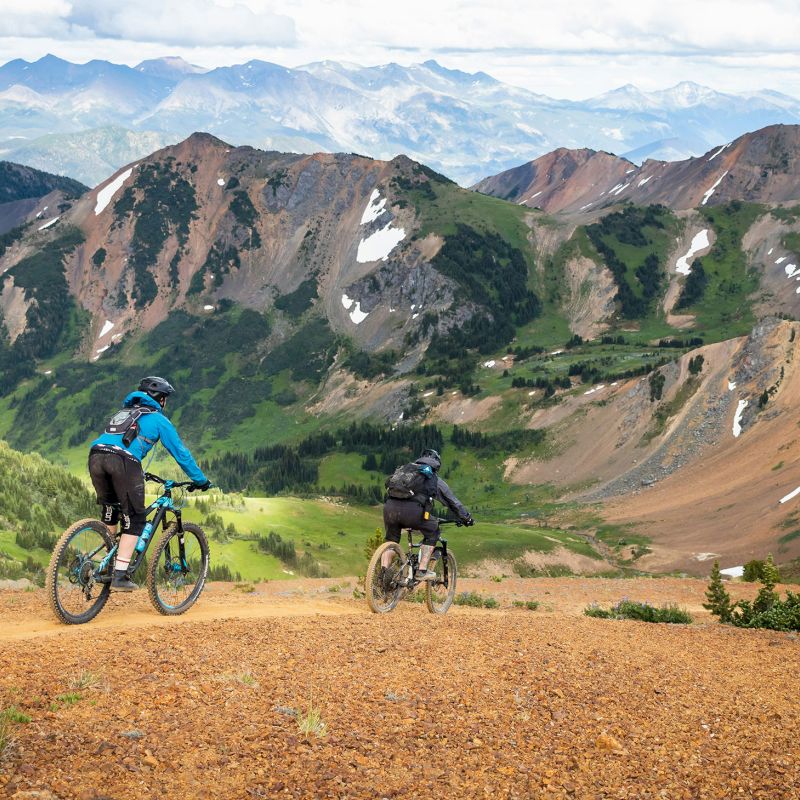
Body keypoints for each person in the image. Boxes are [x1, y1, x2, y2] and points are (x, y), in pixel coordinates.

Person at [88, 376, 211, 591]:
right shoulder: (158, 419)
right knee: (136, 520)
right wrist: (200, 480)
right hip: (123, 461)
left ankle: (99, 565)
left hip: (96, 456)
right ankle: (119, 576)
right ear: (160, 399)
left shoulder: (124, 413)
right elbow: (181, 453)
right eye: (165, 399)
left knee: (111, 511)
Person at [382, 448, 473, 580]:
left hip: (389, 509)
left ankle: (382, 574)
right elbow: (452, 502)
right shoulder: (432, 477)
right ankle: (422, 570)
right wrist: (466, 518)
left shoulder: (406, 471)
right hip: (413, 512)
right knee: (433, 530)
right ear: (436, 463)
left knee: (391, 540)